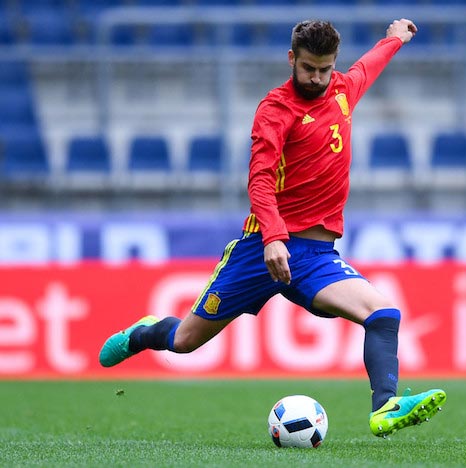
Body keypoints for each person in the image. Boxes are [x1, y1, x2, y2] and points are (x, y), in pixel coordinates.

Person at [99, 18, 446, 437]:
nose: (317, 78)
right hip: (261, 249)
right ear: (291, 60)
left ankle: (385, 406)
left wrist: (394, 38)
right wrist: (274, 238)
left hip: (316, 257)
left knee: (384, 313)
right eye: (308, 69)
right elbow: (260, 179)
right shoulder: (275, 110)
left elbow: (369, 66)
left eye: (325, 69)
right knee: (186, 341)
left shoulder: (342, 90)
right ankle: (143, 333)